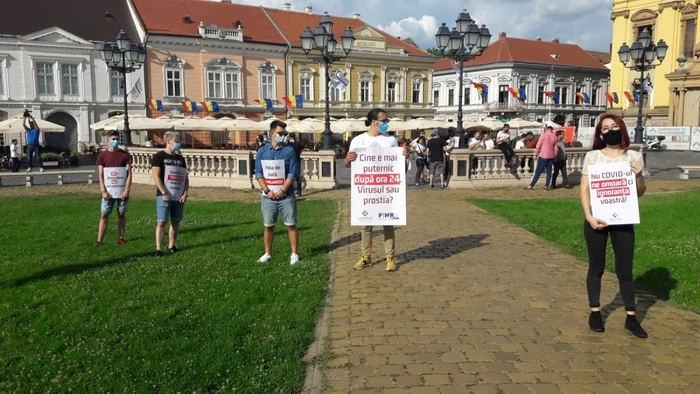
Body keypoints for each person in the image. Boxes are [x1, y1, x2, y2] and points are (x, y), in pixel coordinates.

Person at [580, 113, 647, 338]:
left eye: (615, 126)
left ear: (622, 129)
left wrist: (638, 176)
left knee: (625, 270)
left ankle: (631, 317)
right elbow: (584, 189)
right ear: (600, 133)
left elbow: (639, 193)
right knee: (596, 266)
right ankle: (595, 312)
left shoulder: (634, 156)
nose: (610, 131)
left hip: (623, 218)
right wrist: (588, 216)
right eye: (606, 128)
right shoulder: (592, 156)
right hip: (597, 218)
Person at [345, 108, 408, 272]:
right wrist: (347, 159)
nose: (387, 124)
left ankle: (390, 257)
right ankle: (366, 256)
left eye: (387, 121)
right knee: (366, 224)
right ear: (374, 122)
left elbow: (399, 167)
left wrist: (404, 157)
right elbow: (347, 164)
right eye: (384, 121)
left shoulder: (391, 141)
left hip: (385, 190)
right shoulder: (358, 141)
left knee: (388, 223)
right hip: (366, 190)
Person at [255, 121, 300, 265]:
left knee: (291, 225)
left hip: (286, 196)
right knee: (268, 226)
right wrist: (267, 191)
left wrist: (282, 190)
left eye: (284, 133)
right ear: (272, 133)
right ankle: (267, 253)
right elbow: (258, 173)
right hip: (268, 196)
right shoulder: (262, 151)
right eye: (280, 133)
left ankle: (294, 254)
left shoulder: (289, 151)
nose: (283, 136)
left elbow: (292, 173)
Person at [152, 131, 189, 258]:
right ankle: (158, 249)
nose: (179, 143)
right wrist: (163, 192)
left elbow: (185, 177)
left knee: (175, 221)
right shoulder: (159, 156)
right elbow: (156, 176)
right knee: (162, 222)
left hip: (178, 195)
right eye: (177, 141)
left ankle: (172, 245)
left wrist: (185, 193)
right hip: (164, 195)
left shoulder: (180, 159)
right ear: (169, 141)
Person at [95, 131, 133, 246]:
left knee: (121, 213)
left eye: (117, 139)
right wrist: (103, 191)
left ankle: (121, 238)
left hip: (122, 190)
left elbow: (129, 174)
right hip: (108, 191)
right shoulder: (102, 156)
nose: (115, 141)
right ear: (108, 140)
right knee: (104, 214)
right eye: (113, 139)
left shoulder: (125, 155)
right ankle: (99, 240)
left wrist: (127, 190)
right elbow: (101, 174)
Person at [524, 126, 558, 190]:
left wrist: (536, 154)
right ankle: (546, 185)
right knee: (549, 171)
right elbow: (556, 149)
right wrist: (555, 157)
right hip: (551, 156)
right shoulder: (554, 137)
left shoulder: (543, 135)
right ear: (552, 130)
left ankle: (531, 185)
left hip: (543, 155)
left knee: (538, 171)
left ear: (546, 129)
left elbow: (538, 145)